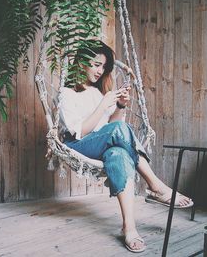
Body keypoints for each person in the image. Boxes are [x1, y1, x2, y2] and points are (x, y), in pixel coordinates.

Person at [59, 40, 193, 253]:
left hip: (101, 143)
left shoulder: (96, 91)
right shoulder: (67, 93)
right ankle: (155, 185)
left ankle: (129, 228)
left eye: (103, 66)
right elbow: (80, 132)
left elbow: (112, 127)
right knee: (119, 132)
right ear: (82, 62)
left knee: (118, 154)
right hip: (78, 145)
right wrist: (104, 103)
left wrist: (120, 106)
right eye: (95, 64)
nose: (100, 70)